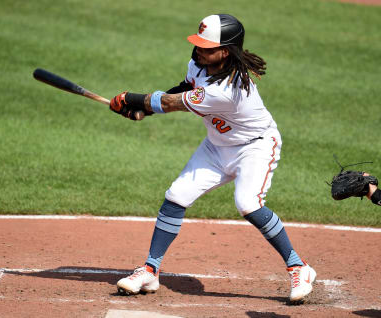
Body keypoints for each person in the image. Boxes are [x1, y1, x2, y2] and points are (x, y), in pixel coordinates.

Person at [109, 14, 316, 302]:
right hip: (216, 147)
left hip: (254, 148)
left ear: (226, 51)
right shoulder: (199, 63)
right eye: (199, 44)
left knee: (248, 204)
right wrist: (143, 110)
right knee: (176, 195)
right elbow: (184, 88)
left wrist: (130, 99)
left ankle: (299, 267)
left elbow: (171, 103)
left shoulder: (228, 89)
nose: (199, 50)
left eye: (207, 47)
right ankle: (150, 270)